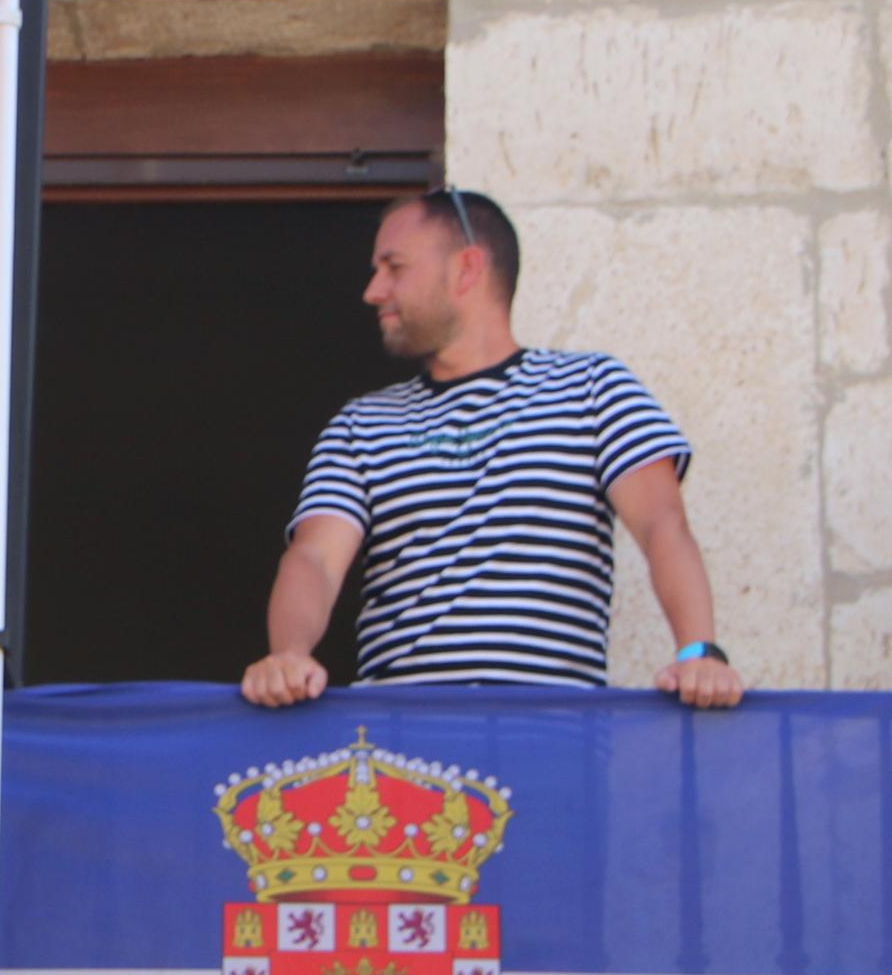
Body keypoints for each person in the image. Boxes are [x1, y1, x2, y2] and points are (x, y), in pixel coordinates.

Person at [244, 187, 742, 709]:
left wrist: (699, 654)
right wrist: (288, 656)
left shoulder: (594, 388)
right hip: (403, 751)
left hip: (553, 739)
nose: (373, 290)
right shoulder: (361, 423)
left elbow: (663, 525)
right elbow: (315, 558)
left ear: (466, 269)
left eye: (394, 267)